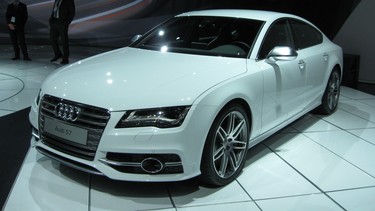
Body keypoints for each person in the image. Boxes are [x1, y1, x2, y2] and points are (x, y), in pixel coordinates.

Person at [49, 0, 75, 64]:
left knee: (64, 41)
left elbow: (72, 12)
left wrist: (66, 23)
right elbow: (55, 9)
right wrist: (51, 19)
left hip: (62, 23)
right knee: (52, 39)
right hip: (54, 22)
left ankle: (65, 58)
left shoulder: (69, 0)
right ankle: (58, 54)